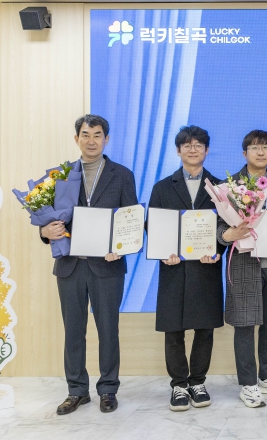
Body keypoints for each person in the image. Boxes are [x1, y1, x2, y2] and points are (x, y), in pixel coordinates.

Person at [40, 114, 138, 415]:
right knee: (73, 330)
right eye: (86, 134)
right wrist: (45, 232)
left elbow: (131, 219)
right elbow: (48, 217)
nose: (91, 140)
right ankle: (76, 390)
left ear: (106, 139)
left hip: (107, 265)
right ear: (76, 139)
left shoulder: (122, 175)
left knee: (108, 329)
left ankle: (108, 389)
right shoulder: (60, 176)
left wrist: (120, 247)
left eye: (97, 135)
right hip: (70, 265)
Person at [217, 130, 267, 408]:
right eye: (254, 147)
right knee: (245, 326)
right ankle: (248, 384)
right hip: (243, 265)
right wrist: (227, 234)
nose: (261, 152)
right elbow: (220, 226)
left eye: (266, 147)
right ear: (244, 153)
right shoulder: (230, 185)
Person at [148, 125, 224, 411]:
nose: (193, 150)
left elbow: (226, 226)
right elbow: (153, 225)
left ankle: (198, 382)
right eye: (187, 145)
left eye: (198, 145)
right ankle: (179, 385)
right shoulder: (162, 187)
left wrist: (217, 252)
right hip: (174, 268)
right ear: (178, 151)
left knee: (205, 329)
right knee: (174, 330)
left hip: (206, 268)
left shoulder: (220, 188)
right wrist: (162, 253)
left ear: (206, 150)